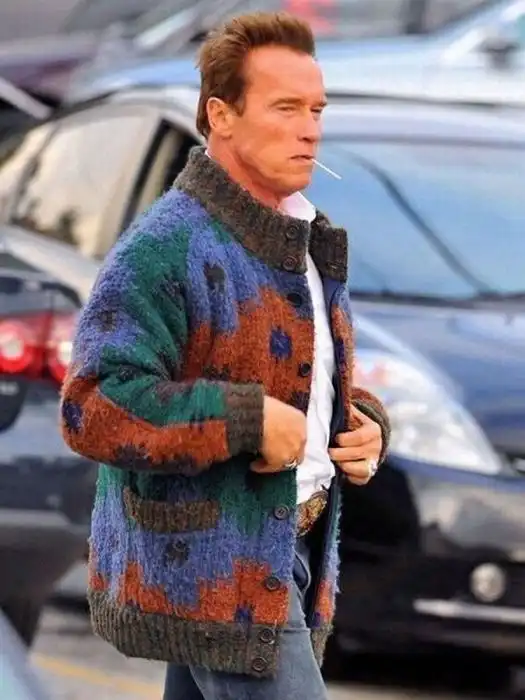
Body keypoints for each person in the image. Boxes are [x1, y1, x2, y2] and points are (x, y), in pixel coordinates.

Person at [59, 11, 390, 700]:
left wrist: (360, 424)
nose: (309, 129)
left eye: (317, 110)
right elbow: (94, 405)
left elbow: (295, 378)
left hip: (290, 552)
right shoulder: (166, 246)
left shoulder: (305, 236)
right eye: (285, 108)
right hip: (214, 575)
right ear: (221, 115)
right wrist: (246, 420)